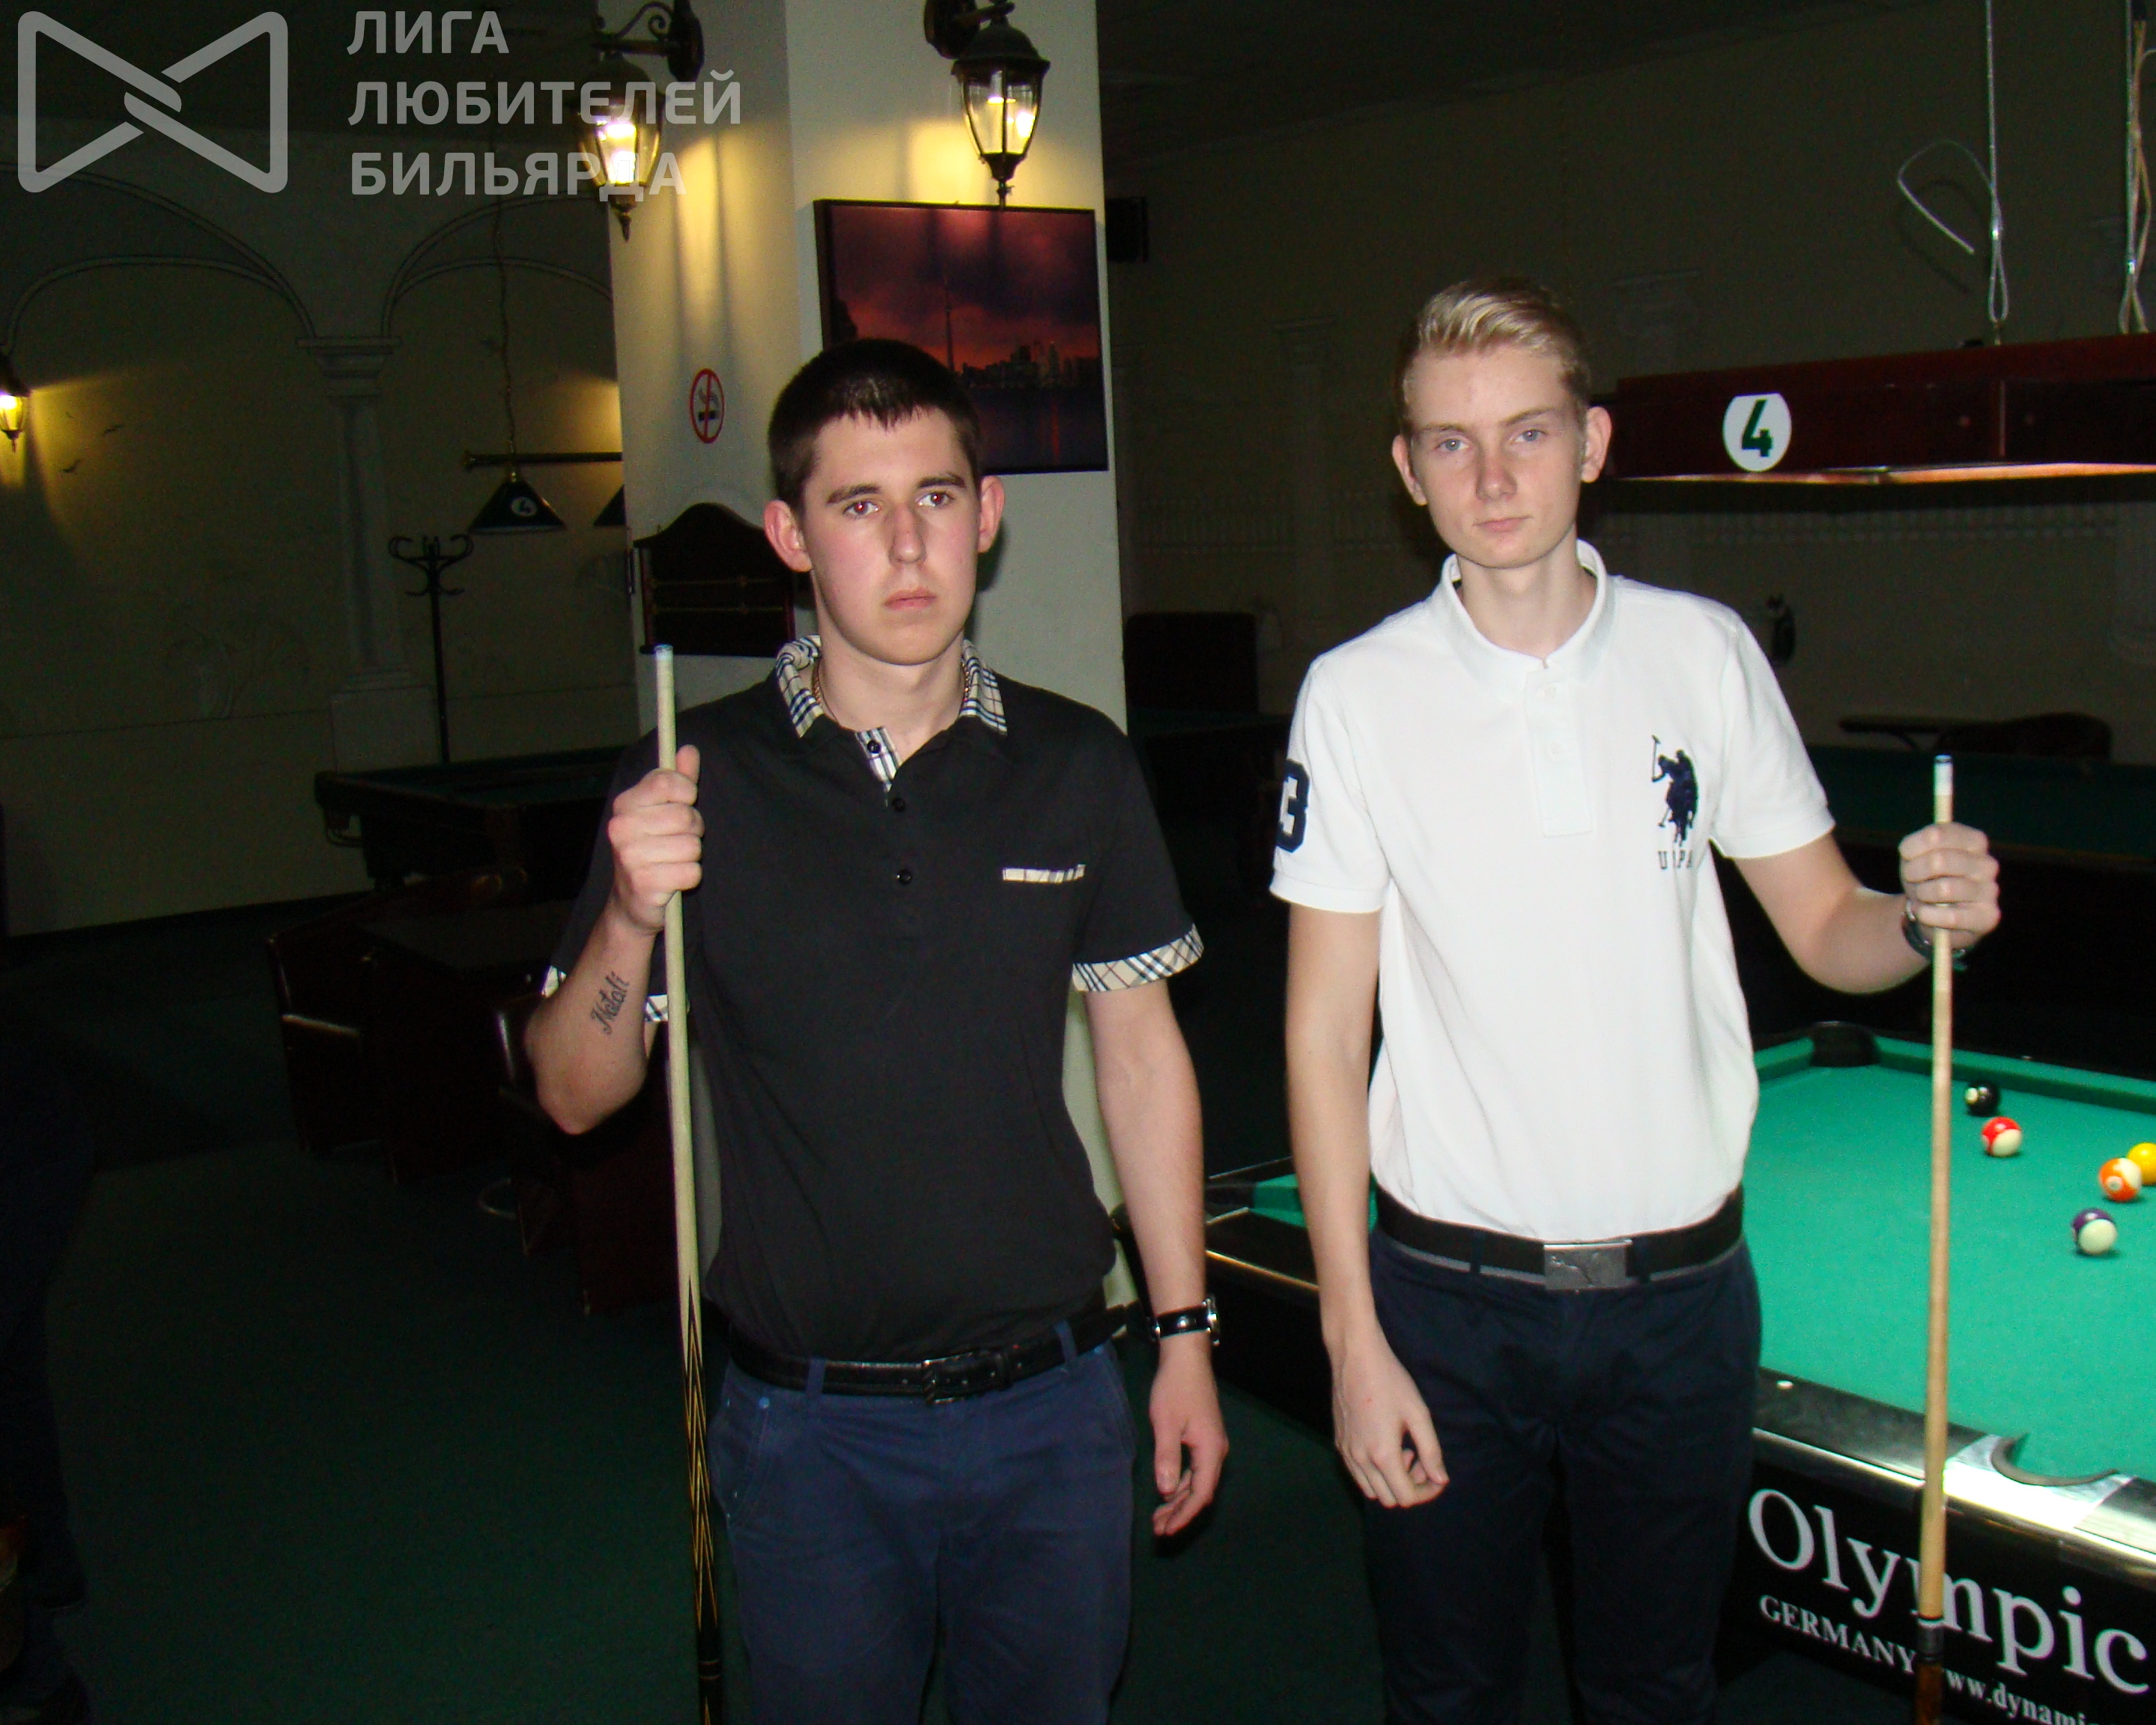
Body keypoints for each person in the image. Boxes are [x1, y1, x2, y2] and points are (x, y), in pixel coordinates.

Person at [1272, 278, 2002, 1725]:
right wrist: (1352, 1341)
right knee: (1445, 1692)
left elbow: (1829, 928)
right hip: (1447, 1303)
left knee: (1657, 1690)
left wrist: (1925, 924)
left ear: (1593, 442)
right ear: (1408, 469)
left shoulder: (1702, 651)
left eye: (1528, 432)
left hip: (1681, 1302)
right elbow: (1320, 1031)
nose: (1493, 476)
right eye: (1452, 442)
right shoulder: (1354, 695)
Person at [526, 338, 1227, 1725]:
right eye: (859, 505)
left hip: (1054, 1401)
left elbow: (1144, 1062)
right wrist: (629, 915)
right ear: (792, 536)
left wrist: (1186, 1334)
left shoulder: (1078, 762)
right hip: (809, 1431)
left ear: (988, 514)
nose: (908, 546)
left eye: (936, 497)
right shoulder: (691, 776)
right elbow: (572, 1093)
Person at [0, 1035, 95, 1725]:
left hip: (23, 1148)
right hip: (29, 1140)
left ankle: (33, 1672)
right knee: (9, 1384)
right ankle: (48, 1567)